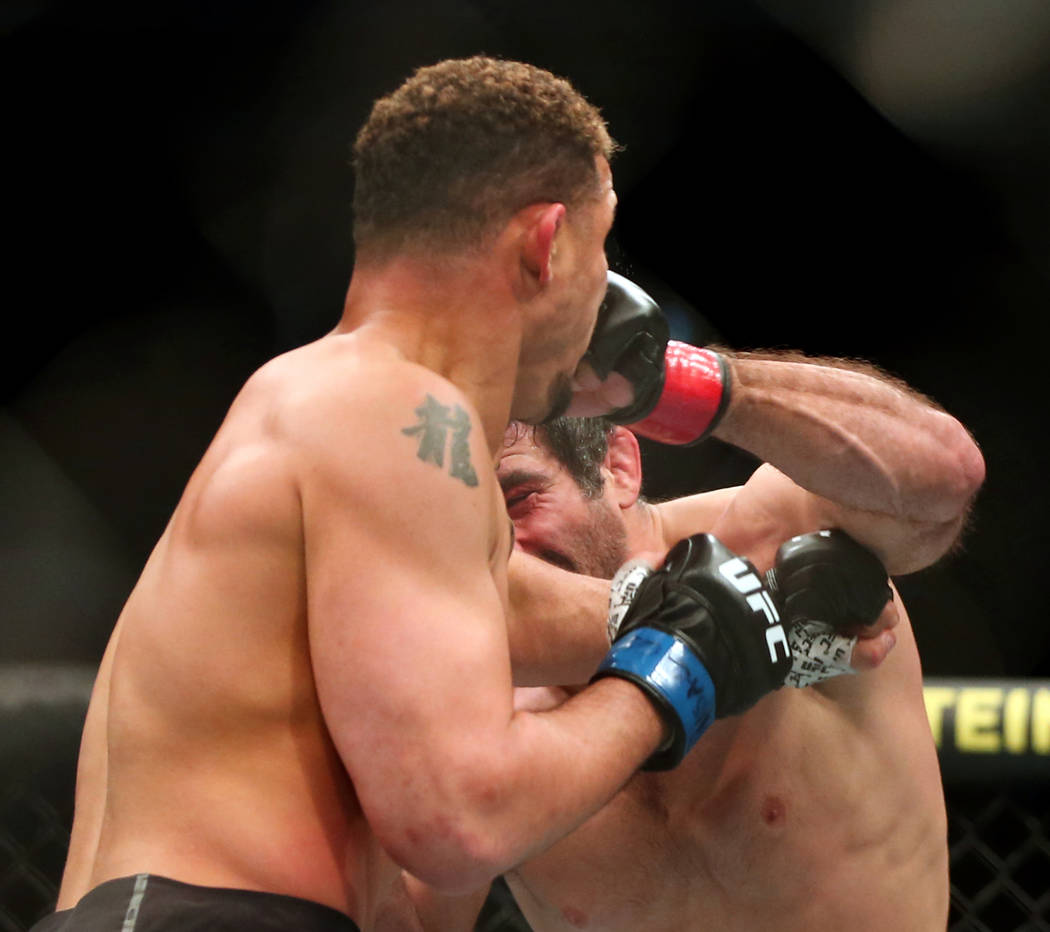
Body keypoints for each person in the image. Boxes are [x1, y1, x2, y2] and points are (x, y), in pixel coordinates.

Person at [37, 57, 796, 932]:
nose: (606, 297)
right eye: (602, 248)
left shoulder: (334, 406)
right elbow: (457, 821)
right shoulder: (399, 411)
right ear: (544, 244)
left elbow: (536, 624)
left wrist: (762, 622)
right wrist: (675, 669)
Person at [390, 284, 984, 930]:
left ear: (618, 466)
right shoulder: (476, 702)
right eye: (468, 524)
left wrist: (675, 380)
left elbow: (941, 479)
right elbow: (414, 921)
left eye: (520, 500)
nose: (504, 550)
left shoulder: (768, 533)